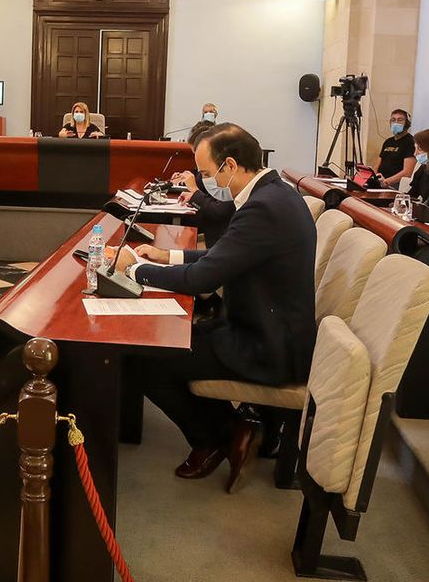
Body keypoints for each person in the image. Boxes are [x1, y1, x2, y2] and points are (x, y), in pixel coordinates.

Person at [107, 124, 317, 492]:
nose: (207, 181)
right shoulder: (275, 195)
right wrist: (165, 255)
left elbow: (203, 279)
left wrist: (134, 269)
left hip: (265, 346)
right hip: (268, 331)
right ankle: (233, 428)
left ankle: (217, 436)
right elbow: (228, 256)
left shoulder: (264, 208)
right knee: (173, 339)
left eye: (207, 174)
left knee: (143, 357)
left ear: (230, 165)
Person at [170, 120, 234, 245]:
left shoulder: (228, 178)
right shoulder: (212, 167)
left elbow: (219, 211)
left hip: (218, 233)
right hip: (212, 234)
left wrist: (194, 191)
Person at [374, 109, 413, 187]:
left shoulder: (410, 142)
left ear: (407, 124)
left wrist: (387, 182)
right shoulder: (388, 141)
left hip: (395, 184)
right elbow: (377, 165)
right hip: (381, 181)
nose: (396, 123)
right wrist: (373, 177)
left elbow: (407, 172)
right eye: (393, 120)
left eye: (400, 120)